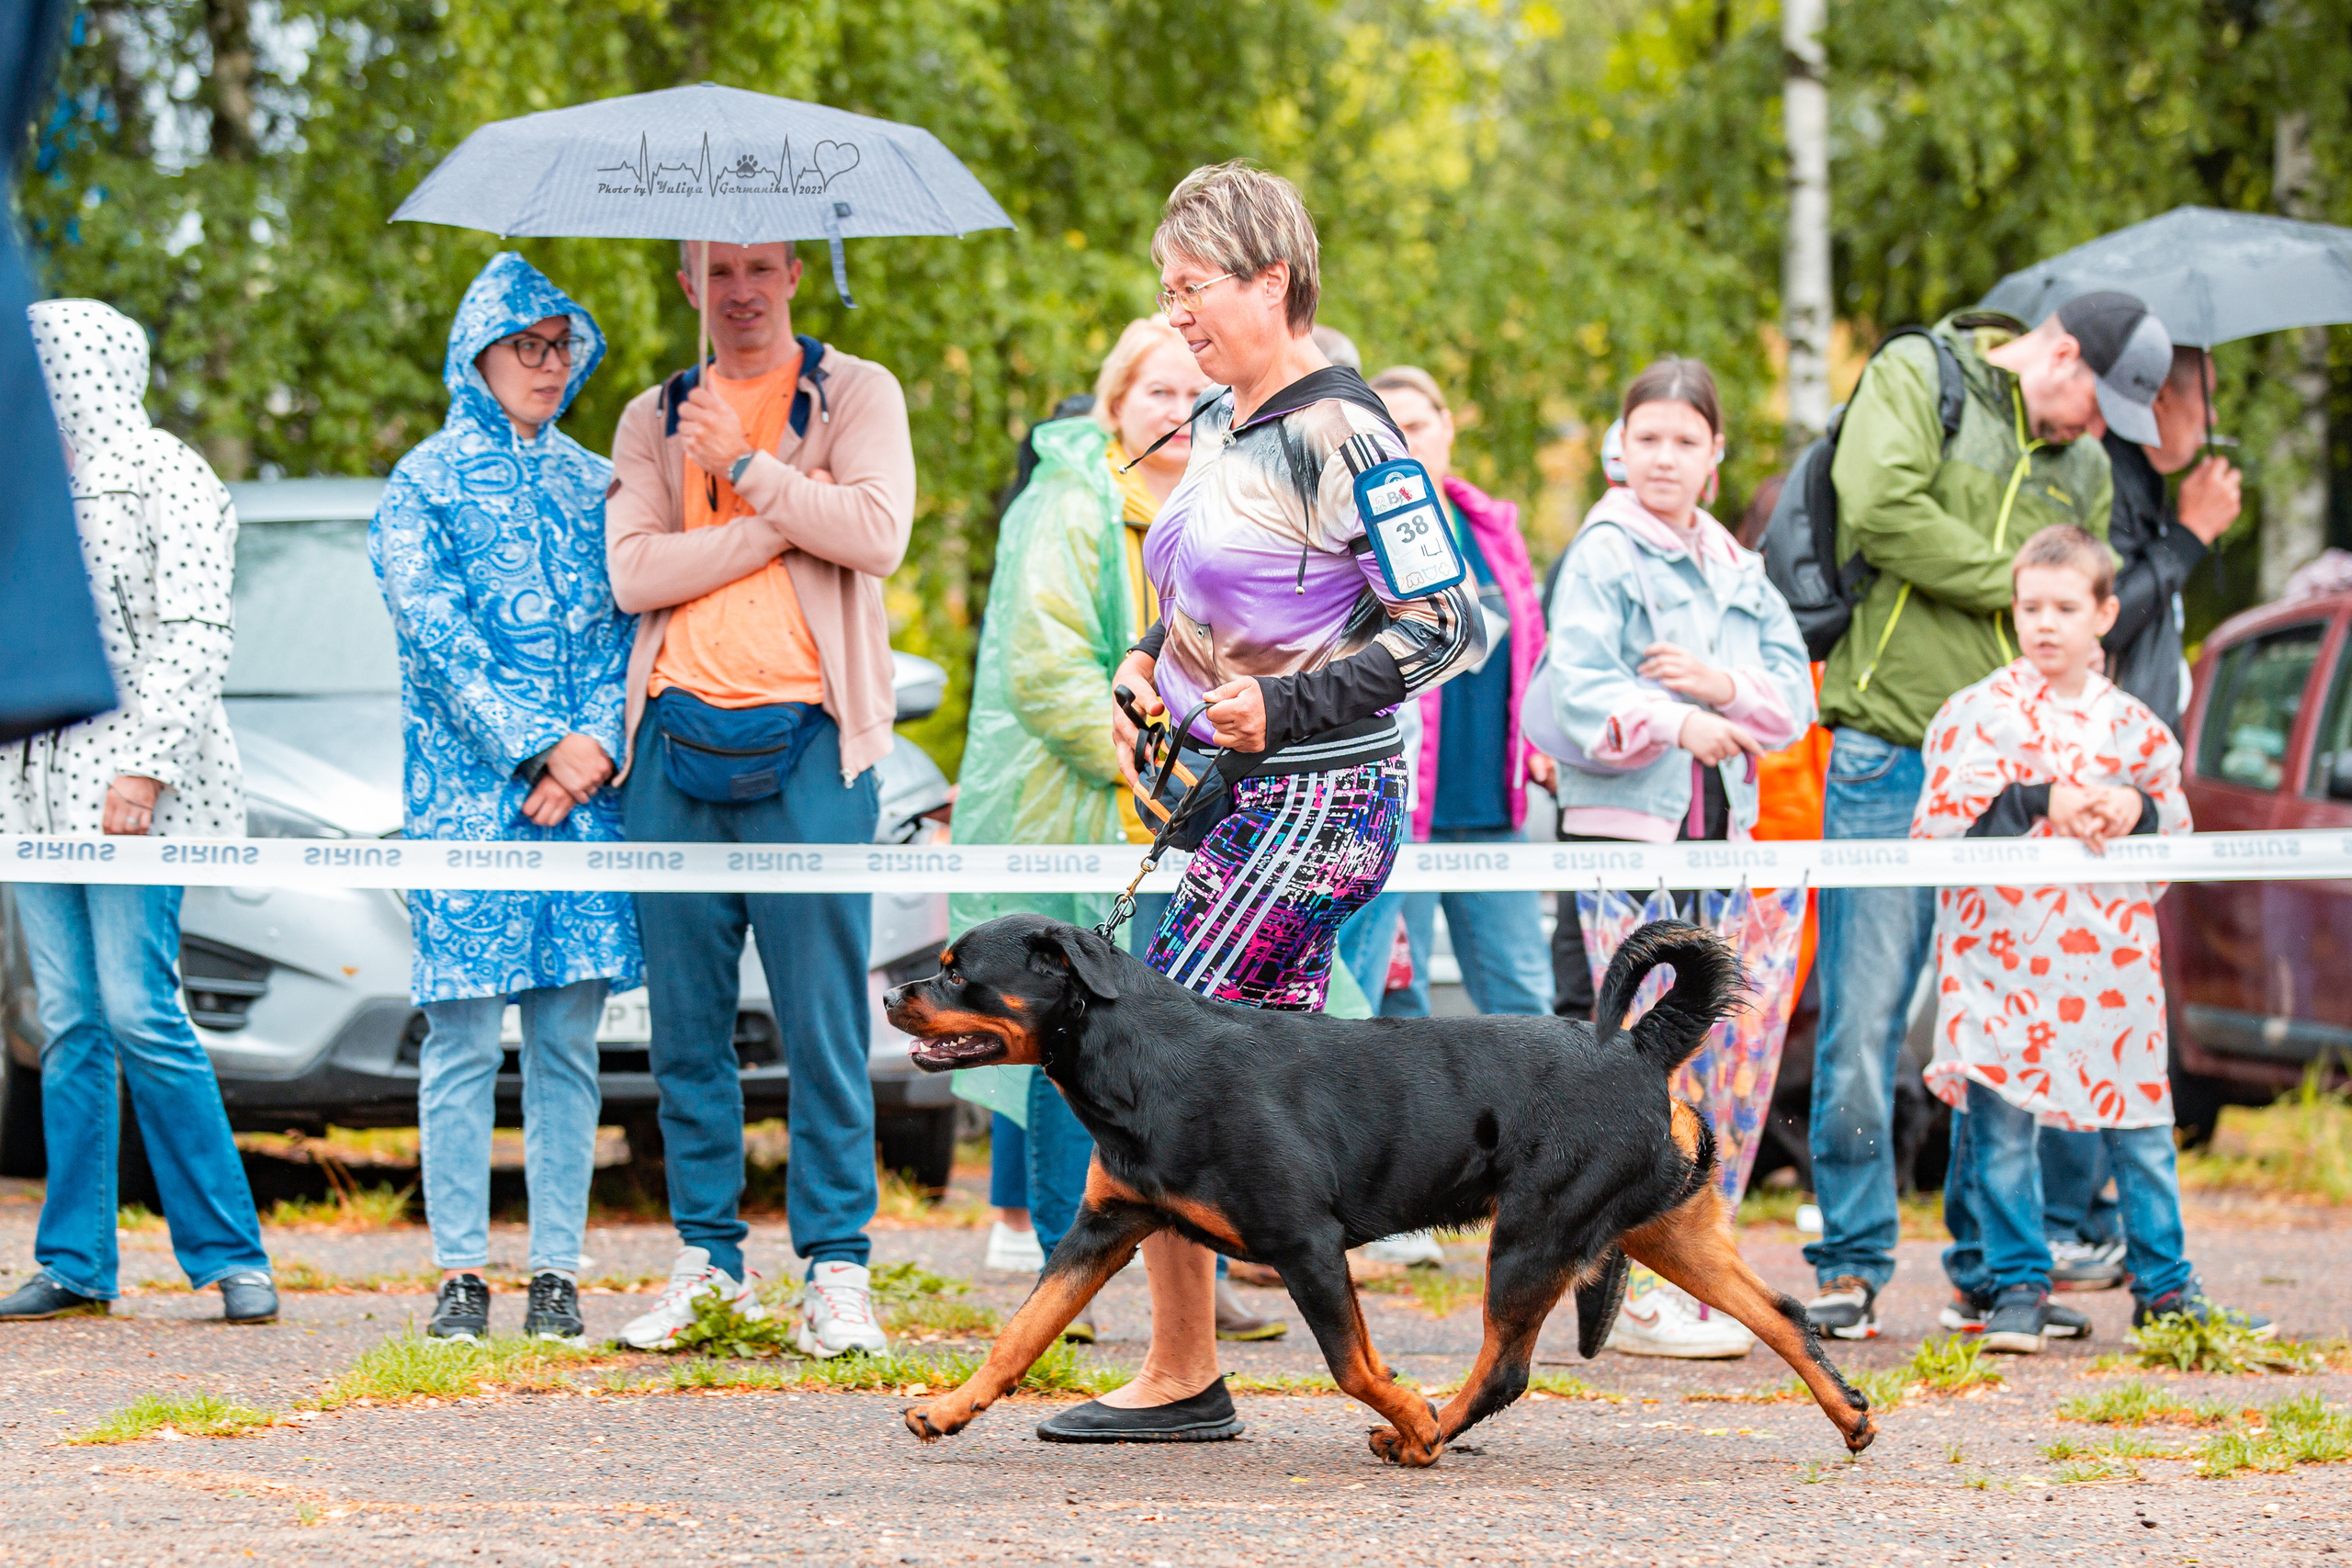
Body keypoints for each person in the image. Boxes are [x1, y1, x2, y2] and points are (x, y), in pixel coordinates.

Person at [1034, 161, 1486, 1445]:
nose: (1174, 314)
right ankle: (1336, 1366)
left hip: (1325, 800)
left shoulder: (1350, 433)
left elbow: (1450, 625)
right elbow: (1200, 605)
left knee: (1148, 1062)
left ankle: (1185, 1371)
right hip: (1239, 796)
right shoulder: (1228, 424)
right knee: (1246, 1095)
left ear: (1272, 280)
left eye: (1193, 289)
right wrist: (1144, 669)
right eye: (1166, 291)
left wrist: (1286, 710)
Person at [1804, 291, 2168, 1341]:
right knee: (1864, 1024)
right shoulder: (1920, 375)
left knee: (1995, 1029)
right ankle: (1853, 1264)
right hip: (1888, 743)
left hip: (2019, 777)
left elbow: (2080, 594)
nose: (2099, 432)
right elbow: (1881, 511)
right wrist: (2018, 588)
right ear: (2058, 350)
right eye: (2100, 400)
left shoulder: (2086, 463)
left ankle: (1984, 1270)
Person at [605, 239, 915, 1357]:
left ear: (792, 275)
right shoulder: (655, 412)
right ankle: (708, 1260)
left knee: (822, 1020)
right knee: (686, 1030)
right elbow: (633, 573)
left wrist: (747, 466)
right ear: (689, 286)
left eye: (760, 269)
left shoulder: (856, 392)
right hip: (674, 749)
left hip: (814, 752)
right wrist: (784, 519)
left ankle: (835, 1267)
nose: (739, 291)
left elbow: (876, 534)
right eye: (716, 273)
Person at [952, 316, 1279, 1340]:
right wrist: (1143, 755)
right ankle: (1070, 1271)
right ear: (1114, 403)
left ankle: (1191, 1270)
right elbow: (1044, 664)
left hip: (1202, 809)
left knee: (1179, 1042)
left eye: (1200, 395)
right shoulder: (1064, 500)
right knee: (1071, 1040)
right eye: (1158, 393)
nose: (1182, 413)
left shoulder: (1225, 506)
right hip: (1079, 802)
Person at [370, 254, 640, 1345]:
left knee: (572, 1044)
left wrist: (592, 750)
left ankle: (559, 1271)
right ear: (474, 354)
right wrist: (533, 753)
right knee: (464, 1041)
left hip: (585, 806)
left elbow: (629, 628)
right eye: (526, 345)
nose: (548, 364)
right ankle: (459, 1272)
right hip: (465, 802)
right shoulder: (421, 483)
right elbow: (432, 634)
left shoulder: (595, 484)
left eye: (562, 344)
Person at [1915, 525, 2267, 1351]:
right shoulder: (1976, 716)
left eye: (2066, 607)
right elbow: (1936, 829)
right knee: (2002, 1128)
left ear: (2105, 613)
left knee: (2141, 1129)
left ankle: (2167, 1287)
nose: (2046, 623)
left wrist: (2135, 811)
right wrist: (2038, 800)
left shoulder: (2137, 729)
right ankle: (2015, 1286)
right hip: (2001, 962)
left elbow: (2172, 821)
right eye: (2031, 606)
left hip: (2108, 959)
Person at [1532, 356, 1815, 1358]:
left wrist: (1720, 686)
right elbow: (1572, 689)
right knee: (1628, 1067)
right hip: (1622, 844)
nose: (1662, 457)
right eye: (1645, 437)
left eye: (1684, 441)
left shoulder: (1738, 567)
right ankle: (1627, 1280)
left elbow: (1792, 699)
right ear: (1620, 445)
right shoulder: (1603, 552)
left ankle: (1700, 1270)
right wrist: (1671, 721)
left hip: (1718, 841)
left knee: (1724, 1057)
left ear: (1715, 453)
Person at [0, 299, 275, 1325]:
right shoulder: (23, 486)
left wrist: (146, 767)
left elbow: (196, 633)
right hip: (26, 797)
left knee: (138, 1011)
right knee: (66, 1022)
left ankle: (230, 1254)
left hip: (132, 794)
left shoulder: (171, 475)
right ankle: (75, 1261)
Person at [1335, 367, 1555, 1024]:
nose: (1406, 440)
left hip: (1493, 802)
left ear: (1449, 426)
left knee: (1522, 1001)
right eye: (1389, 430)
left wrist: (1538, 742)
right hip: (1402, 812)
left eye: (1420, 424)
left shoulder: (1490, 526)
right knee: (1395, 1004)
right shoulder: (1353, 530)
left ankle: (1537, 1130)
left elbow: (1533, 646)